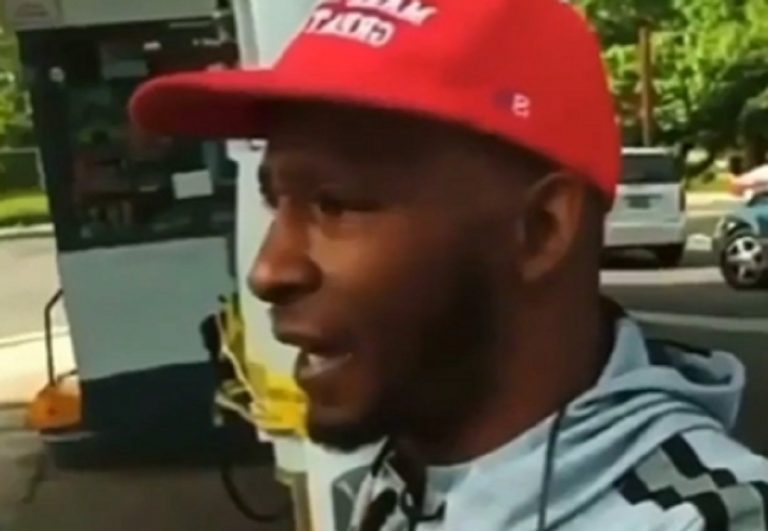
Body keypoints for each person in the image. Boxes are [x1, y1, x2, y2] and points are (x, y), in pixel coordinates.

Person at [130, 0, 768, 529]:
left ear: (541, 231)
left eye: (336, 203)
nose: (269, 270)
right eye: (276, 201)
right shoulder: (402, 476)